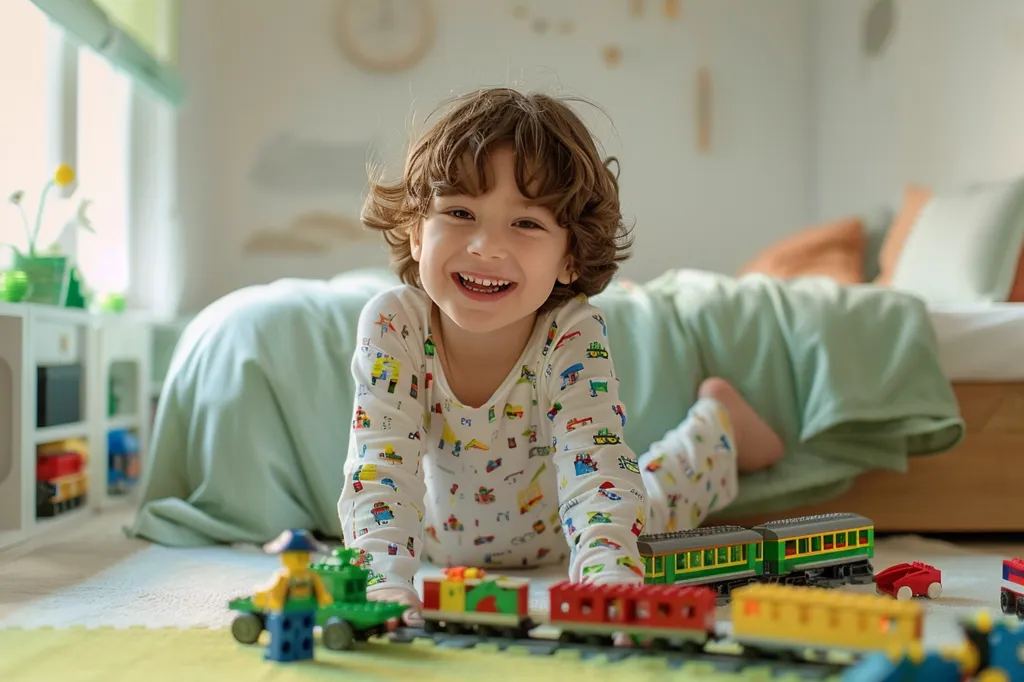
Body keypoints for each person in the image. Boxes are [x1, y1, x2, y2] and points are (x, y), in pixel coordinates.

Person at [337, 87, 784, 626]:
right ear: (415, 232)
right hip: (438, 544)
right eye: (459, 211)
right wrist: (381, 583)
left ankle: (720, 426)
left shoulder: (569, 332)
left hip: (563, 533)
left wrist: (607, 581)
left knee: (655, 503)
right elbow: (380, 467)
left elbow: (597, 471)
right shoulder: (393, 324)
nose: (485, 246)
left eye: (525, 223)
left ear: (569, 258)